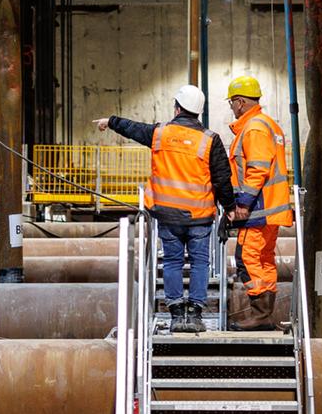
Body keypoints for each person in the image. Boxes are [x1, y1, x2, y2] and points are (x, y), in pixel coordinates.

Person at [94, 84, 234, 332]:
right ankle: (195, 314)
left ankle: (176, 314)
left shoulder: (160, 133)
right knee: (201, 262)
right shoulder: (210, 140)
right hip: (200, 216)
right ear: (198, 112)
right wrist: (230, 208)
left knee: (172, 261)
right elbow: (222, 178)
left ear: (177, 107)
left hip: (167, 214)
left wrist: (110, 121)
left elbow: (133, 129)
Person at [226, 74, 292, 330]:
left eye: (232, 102)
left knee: (246, 257)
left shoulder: (253, 127)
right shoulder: (269, 125)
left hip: (258, 208)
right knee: (264, 259)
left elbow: (257, 169)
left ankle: (260, 313)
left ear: (240, 102)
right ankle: (264, 314)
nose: (231, 107)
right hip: (270, 208)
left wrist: (242, 204)